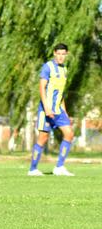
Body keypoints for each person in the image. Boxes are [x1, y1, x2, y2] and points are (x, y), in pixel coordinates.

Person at [28, 43, 74, 176]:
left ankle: (59, 167)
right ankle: (33, 169)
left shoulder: (64, 69)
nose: (60, 57)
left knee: (69, 134)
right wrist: (47, 107)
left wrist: (64, 110)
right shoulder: (47, 67)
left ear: (66, 55)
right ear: (54, 53)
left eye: (63, 54)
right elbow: (42, 88)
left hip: (59, 110)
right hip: (46, 110)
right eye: (58, 54)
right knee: (43, 138)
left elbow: (61, 92)